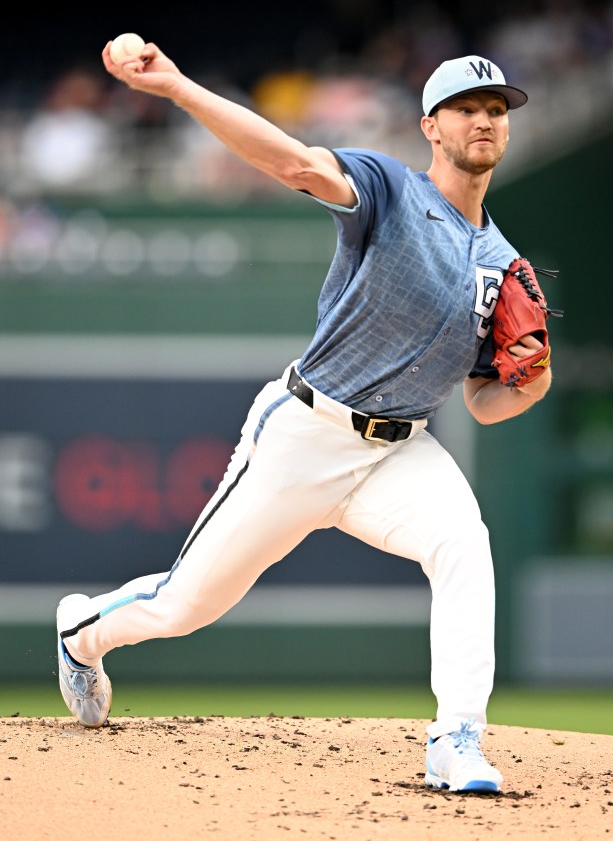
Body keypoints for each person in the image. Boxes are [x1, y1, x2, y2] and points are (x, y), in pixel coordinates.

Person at [56, 45, 552, 795]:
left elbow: (485, 402)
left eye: (495, 111)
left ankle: (456, 738)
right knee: (185, 604)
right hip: (304, 433)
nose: (484, 120)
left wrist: (533, 381)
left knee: (463, 543)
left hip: (398, 450)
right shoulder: (389, 189)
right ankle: (80, 631)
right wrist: (179, 86)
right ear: (432, 126)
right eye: (466, 109)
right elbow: (294, 162)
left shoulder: (504, 262)